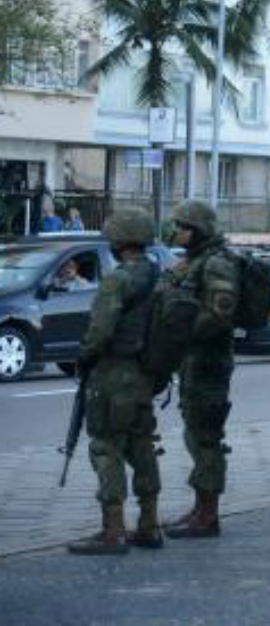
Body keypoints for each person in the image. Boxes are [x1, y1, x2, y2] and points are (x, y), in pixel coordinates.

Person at [67, 209, 163, 556]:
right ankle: (150, 525)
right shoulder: (157, 275)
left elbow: (100, 330)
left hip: (113, 373)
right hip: (144, 374)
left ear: (119, 241)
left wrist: (84, 356)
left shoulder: (117, 280)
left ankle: (113, 531)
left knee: (106, 448)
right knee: (142, 446)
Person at [162, 199, 240, 539]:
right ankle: (199, 508)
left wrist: (185, 335)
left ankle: (207, 516)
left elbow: (220, 312)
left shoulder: (216, 264)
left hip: (208, 361)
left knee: (206, 438)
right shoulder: (193, 262)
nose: (176, 231)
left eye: (183, 226)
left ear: (199, 231)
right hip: (193, 361)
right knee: (195, 435)